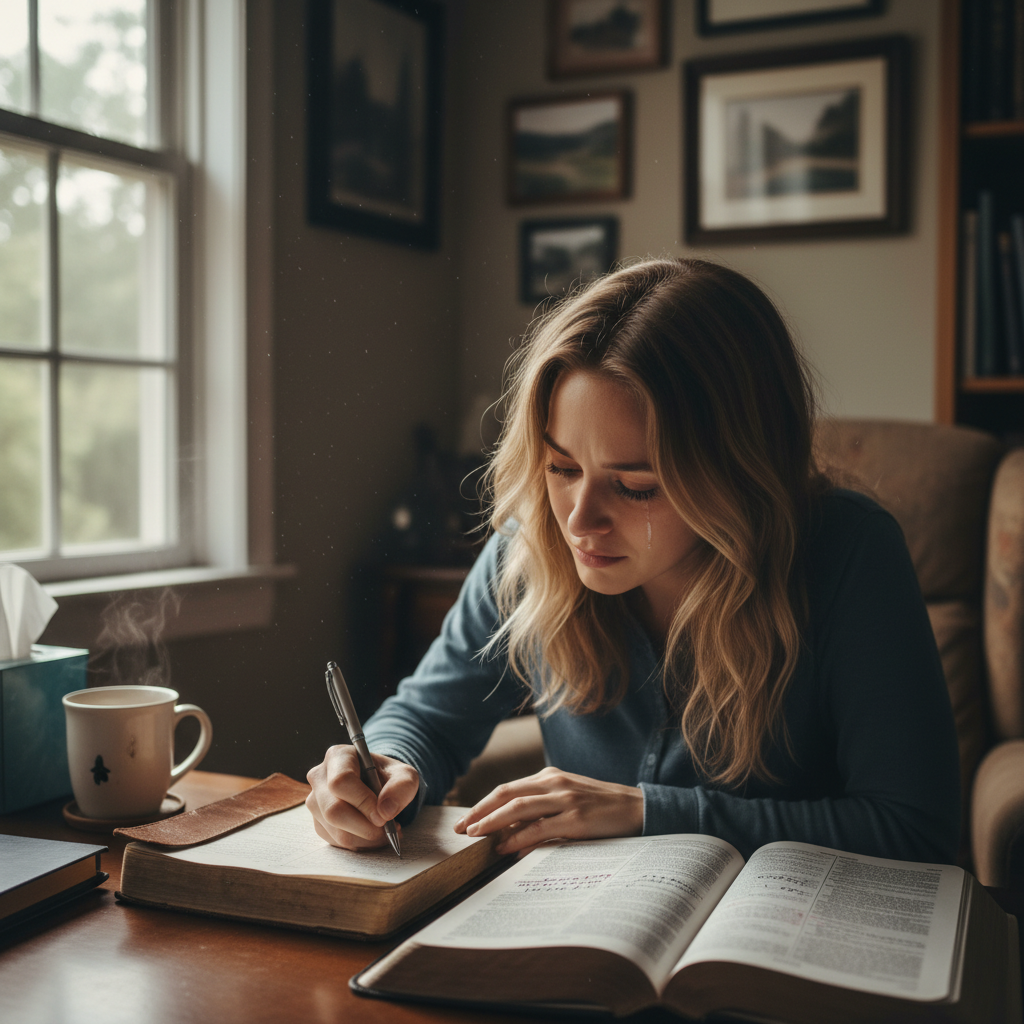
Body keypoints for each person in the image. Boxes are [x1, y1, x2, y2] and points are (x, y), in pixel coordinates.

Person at [306, 257, 961, 864]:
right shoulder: (532, 542)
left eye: (637, 486)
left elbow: (917, 829)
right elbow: (426, 719)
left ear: (738, 473)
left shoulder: (849, 551)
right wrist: (383, 767)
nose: (577, 519)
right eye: (562, 467)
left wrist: (650, 812)